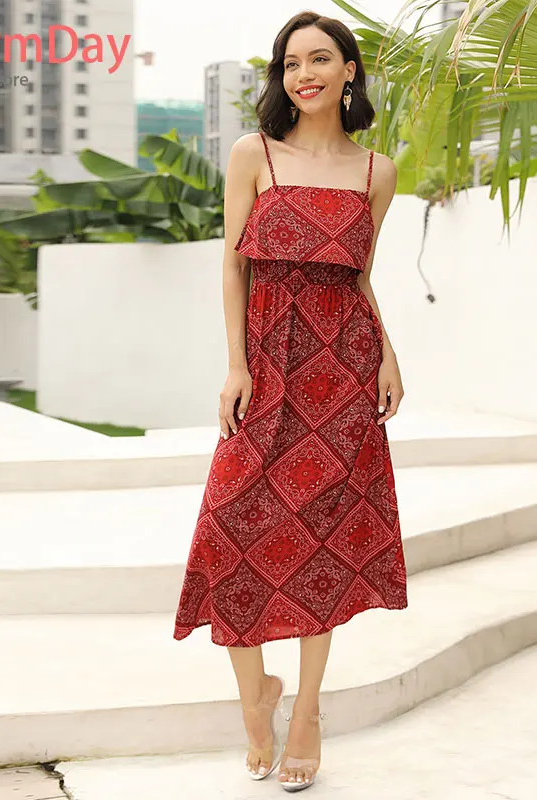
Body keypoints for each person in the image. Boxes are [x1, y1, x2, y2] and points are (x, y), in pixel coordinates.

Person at [173, 10, 408, 792]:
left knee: (322, 544)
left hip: (343, 373)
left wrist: (388, 354)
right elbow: (233, 265)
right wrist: (236, 365)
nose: (304, 74)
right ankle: (257, 695)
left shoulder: (377, 172)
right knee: (229, 523)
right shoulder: (255, 154)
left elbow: (359, 276)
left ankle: (306, 710)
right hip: (268, 363)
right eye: (291, 63)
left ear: (350, 70)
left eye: (320, 59)